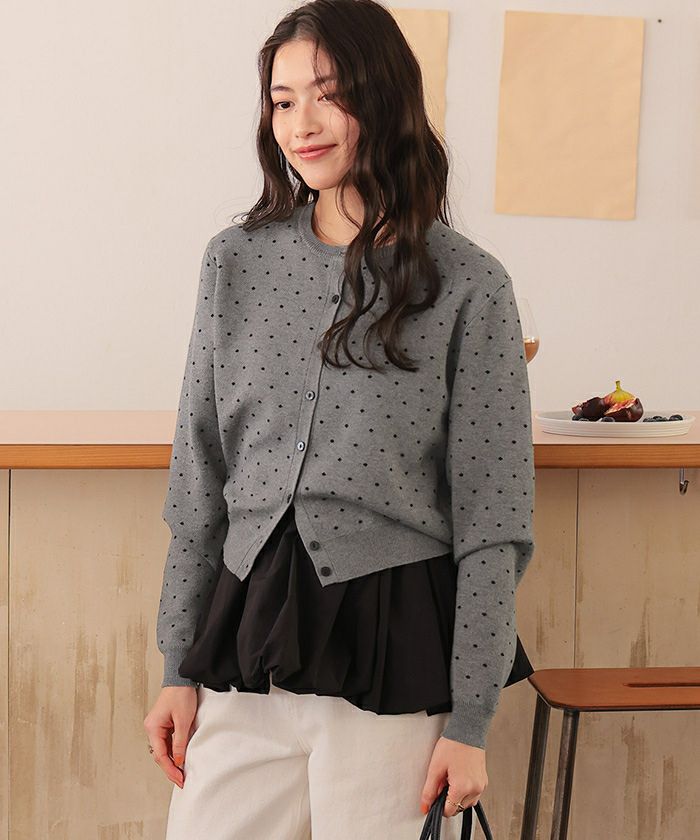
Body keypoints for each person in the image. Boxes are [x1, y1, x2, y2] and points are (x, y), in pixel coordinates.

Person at [143, 1, 536, 838]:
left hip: (390, 660)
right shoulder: (235, 262)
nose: (302, 124)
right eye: (283, 101)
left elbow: (494, 523)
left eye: (329, 94)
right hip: (245, 649)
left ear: (384, 94)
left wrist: (470, 722)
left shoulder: (469, 285)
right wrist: (177, 665)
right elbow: (199, 480)